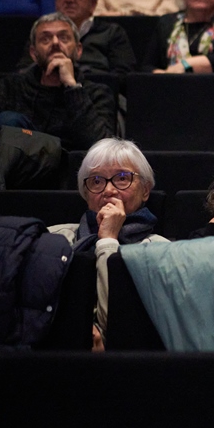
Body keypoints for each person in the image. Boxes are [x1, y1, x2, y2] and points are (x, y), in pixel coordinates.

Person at [48, 138, 167, 346]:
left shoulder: (160, 251)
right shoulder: (55, 238)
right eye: (96, 181)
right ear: (86, 194)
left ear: (145, 190)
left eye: (122, 178)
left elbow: (115, 325)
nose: (108, 190)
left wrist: (108, 240)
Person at [0, 13, 116, 149]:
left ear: (79, 50)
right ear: (33, 53)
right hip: (13, 173)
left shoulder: (97, 92)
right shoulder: (13, 87)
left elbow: (103, 149)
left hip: (69, 175)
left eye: (63, 37)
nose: (55, 43)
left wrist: (72, 87)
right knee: (9, 121)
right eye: (45, 39)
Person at [43, 0, 137, 74]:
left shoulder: (112, 33)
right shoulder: (43, 32)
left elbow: (124, 76)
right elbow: (24, 72)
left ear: (93, 4)